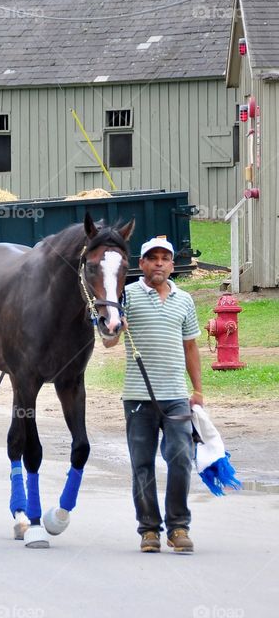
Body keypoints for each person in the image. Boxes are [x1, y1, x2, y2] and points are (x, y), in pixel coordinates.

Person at [104, 236, 203, 554]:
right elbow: (108, 341)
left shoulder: (184, 300)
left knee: (181, 459)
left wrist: (198, 389)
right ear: (141, 264)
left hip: (176, 396)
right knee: (142, 464)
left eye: (165, 258)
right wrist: (116, 328)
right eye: (152, 258)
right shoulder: (126, 296)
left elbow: (190, 346)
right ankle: (149, 530)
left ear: (173, 265)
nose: (159, 263)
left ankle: (178, 527)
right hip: (138, 398)